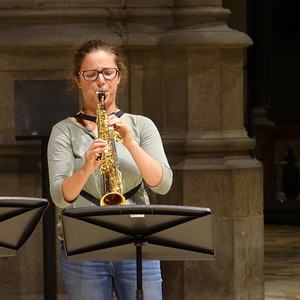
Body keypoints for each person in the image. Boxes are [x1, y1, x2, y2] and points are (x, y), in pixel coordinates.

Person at [47, 39, 173, 300]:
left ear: (119, 77)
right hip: (84, 244)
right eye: (90, 75)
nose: (100, 81)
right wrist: (85, 169)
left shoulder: (141, 125)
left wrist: (129, 143)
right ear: (78, 80)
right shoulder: (63, 131)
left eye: (107, 73)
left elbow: (162, 183)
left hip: (137, 241)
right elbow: (60, 196)